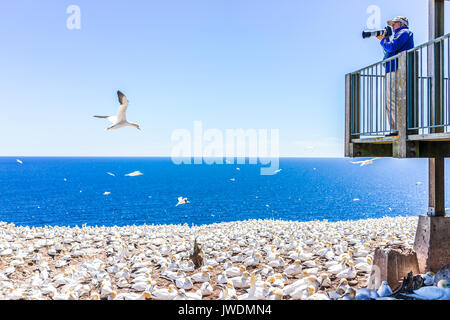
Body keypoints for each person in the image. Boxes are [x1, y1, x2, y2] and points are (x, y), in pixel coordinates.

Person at [376, 16, 414, 137]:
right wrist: (384, 40)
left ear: (402, 24)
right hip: (393, 68)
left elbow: (392, 47)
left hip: (396, 69)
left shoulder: (404, 32)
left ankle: (397, 129)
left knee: (393, 99)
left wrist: (383, 40)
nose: (392, 26)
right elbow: (391, 48)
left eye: (395, 23)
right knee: (392, 100)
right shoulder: (399, 34)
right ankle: (396, 128)